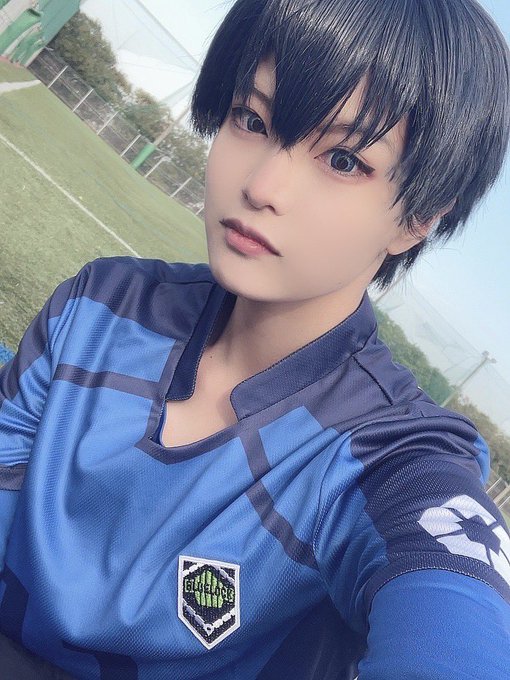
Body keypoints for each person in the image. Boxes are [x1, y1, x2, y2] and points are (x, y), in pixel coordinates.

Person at [1, 0, 509, 677]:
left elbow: (458, 623)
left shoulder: (391, 455)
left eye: (344, 160)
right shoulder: (101, 305)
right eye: (252, 120)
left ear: (417, 218)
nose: (263, 185)